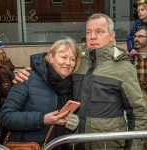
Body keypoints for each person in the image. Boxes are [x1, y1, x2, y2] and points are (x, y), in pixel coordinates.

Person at [13, 13, 147, 150]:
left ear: (111, 36)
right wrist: (30, 71)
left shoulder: (124, 67)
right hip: (73, 143)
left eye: (99, 31)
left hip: (107, 145)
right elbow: (53, 61)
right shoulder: (77, 61)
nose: (93, 36)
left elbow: (137, 113)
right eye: (89, 32)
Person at [0, 37, 81, 149]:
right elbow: (6, 117)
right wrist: (42, 119)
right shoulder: (27, 78)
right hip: (28, 146)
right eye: (63, 57)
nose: (68, 63)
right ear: (50, 57)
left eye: (73, 59)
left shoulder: (71, 85)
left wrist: (73, 124)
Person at [133, 26, 147, 108]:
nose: (136, 39)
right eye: (135, 36)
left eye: (140, 36)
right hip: (136, 108)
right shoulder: (130, 59)